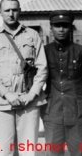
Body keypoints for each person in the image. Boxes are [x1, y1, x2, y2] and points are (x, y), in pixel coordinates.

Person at [0, 0, 48, 156]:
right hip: (3, 102)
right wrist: (8, 94)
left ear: (19, 11)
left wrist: (32, 94)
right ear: (0, 13)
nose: (11, 14)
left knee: (28, 150)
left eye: (14, 10)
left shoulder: (32, 35)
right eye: (7, 10)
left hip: (29, 101)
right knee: (5, 151)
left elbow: (42, 67)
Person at [41, 10, 82, 156]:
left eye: (65, 25)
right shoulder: (43, 52)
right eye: (57, 26)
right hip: (53, 113)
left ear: (70, 27)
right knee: (53, 153)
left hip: (77, 113)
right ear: (51, 27)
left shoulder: (80, 51)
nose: (61, 29)